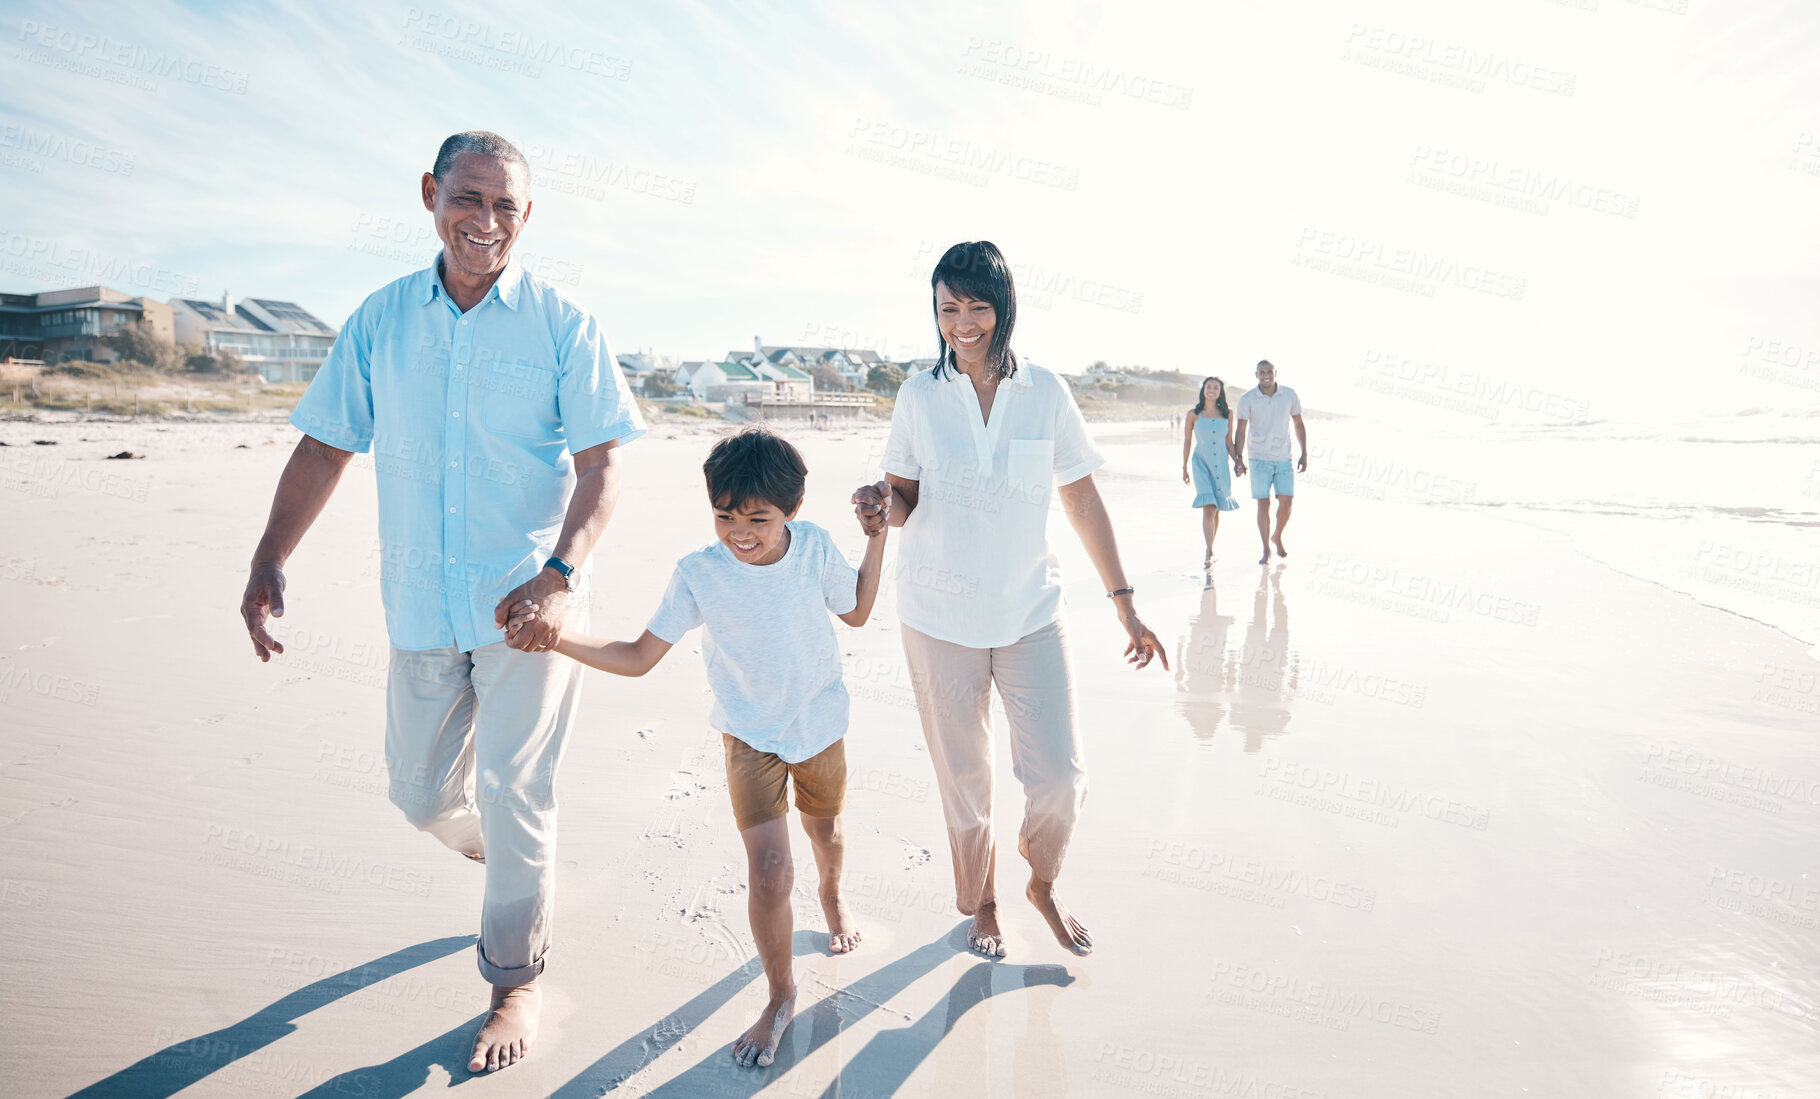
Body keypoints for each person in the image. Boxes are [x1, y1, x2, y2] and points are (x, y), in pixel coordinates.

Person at [237, 131, 646, 1075]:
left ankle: (515, 978)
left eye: (507, 207)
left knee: (517, 789)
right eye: (470, 198)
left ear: (527, 217)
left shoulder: (561, 323)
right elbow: (325, 445)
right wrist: (269, 556)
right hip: (420, 602)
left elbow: (605, 462)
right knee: (419, 792)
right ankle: (496, 854)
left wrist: (559, 575)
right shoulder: (382, 321)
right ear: (430, 194)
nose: (487, 221)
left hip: (534, 608)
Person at [507, 426, 887, 1069]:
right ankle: (780, 994)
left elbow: (854, 612)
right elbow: (636, 658)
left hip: (820, 724)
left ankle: (833, 895)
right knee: (770, 870)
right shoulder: (698, 574)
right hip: (748, 738)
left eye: (758, 519)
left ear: (792, 511)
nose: (740, 532)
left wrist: (878, 539)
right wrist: (555, 636)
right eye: (724, 516)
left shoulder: (815, 546)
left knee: (825, 833)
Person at [851, 240, 1168, 960]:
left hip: (1030, 614)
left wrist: (1124, 602)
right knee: (966, 781)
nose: (963, 323)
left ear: (1005, 309)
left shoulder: (1047, 392)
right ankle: (983, 901)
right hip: (937, 616)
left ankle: (1041, 876)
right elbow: (904, 497)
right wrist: (879, 505)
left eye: (977, 307)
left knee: (1060, 775)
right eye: (948, 308)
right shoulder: (918, 394)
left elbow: (1081, 497)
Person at [1232, 359, 1306, 565]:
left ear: (1275, 373)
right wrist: (1239, 458)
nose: (1266, 375)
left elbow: (1298, 424)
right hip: (1258, 458)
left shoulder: (1289, 395)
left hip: (1284, 457)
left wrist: (1305, 452)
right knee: (1263, 503)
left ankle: (1277, 536)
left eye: (1269, 372)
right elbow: (1240, 430)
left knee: (1287, 501)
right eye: (1262, 372)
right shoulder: (1247, 399)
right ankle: (1266, 549)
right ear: (1256, 374)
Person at [1181, 375, 1241, 568]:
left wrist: (1238, 462)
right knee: (1208, 506)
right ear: (1203, 390)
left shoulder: (1228, 414)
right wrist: (1184, 467)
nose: (1212, 389)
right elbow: (1188, 442)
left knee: (1216, 510)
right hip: (1201, 464)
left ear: (1220, 391)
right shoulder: (1193, 414)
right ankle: (1210, 552)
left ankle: (1210, 548)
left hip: (1221, 465)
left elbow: (1229, 442)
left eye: (1216, 387)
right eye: (1208, 386)